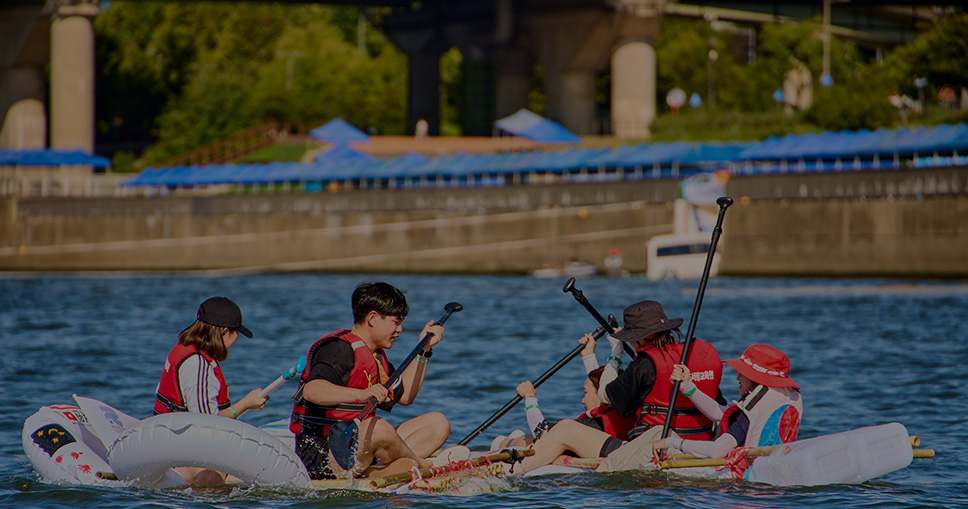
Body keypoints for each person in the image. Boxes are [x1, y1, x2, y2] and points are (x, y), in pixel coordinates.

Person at [518, 300, 724, 473]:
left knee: (564, 428)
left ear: (640, 337)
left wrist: (615, 353)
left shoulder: (645, 363)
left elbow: (605, 395)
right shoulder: (703, 353)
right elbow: (717, 404)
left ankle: (513, 473)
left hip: (653, 449)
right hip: (700, 445)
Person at [290, 282, 458, 480]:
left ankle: (379, 469)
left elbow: (407, 397)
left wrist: (424, 349)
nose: (400, 330)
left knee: (438, 423)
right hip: (322, 456)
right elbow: (312, 390)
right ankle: (422, 466)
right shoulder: (339, 350)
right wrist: (362, 393)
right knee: (378, 427)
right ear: (372, 318)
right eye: (396, 322)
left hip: (355, 445)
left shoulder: (376, 357)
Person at [154, 296, 268, 485]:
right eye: (236, 333)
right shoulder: (198, 365)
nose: (236, 339)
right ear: (224, 331)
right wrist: (246, 404)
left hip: (172, 442)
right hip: (181, 453)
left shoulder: (183, 349)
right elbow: (208, 427)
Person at [651, 344, 802, 479]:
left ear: (755, 379)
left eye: (742, 373)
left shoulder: (750, 413)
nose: (737, 378)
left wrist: (669, 442)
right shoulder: (783, 398)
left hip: (745, 482)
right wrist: (688, 387)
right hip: (774, 475)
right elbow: (721, 414)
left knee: (651, 472)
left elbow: (717, 450)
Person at [490, 333, 634, 451]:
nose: (582, 400)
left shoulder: (593, 425)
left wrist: (529, 398)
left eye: (585, 393)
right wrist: (588, 356)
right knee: (521, 438)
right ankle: (507, 441)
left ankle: (499, 445)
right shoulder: (622, 408)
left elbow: (543, 433)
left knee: (527, 441)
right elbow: (602, 387)